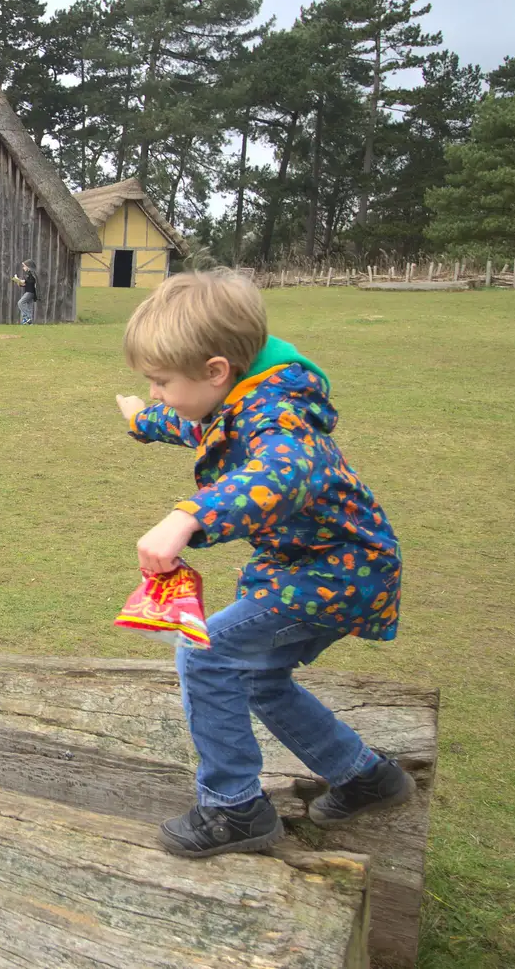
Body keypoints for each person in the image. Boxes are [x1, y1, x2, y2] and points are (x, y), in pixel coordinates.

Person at [115, 272, 412, 858]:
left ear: (217, 370)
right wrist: (140, 421)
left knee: (206, 650)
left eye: (159, 382)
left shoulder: (279, 418)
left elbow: (277, 472)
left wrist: (189, 516)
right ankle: (364, 775)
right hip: (321, 568)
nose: (155, 392)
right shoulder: (240, 400)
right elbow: (199, 425)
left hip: (336, 573)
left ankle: (234, 807)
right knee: (257, 675)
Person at [11, 260, 37, 325]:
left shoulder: (32, 273)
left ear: (28, 266)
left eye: (24, 266)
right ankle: (28, 322)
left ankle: (28, 318)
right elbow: (28, 284)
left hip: (30, 292)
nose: (23, 268)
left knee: (20, 303)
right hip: (29, 291)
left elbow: (31, 282)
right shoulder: (29, 273)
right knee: (29, 307)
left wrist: (21, 280)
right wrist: (19, 282)